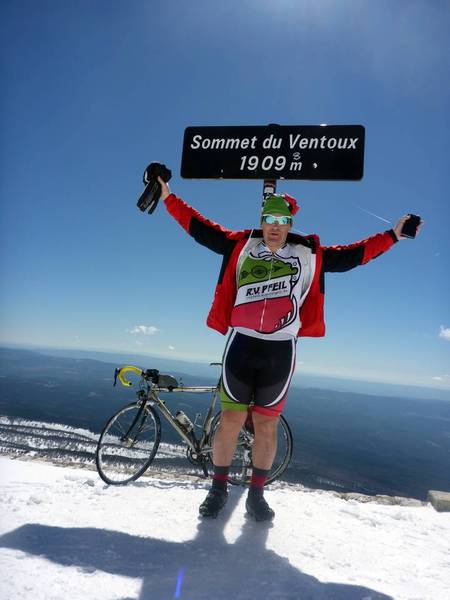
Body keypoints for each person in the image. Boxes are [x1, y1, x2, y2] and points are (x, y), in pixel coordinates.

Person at [157, 176, 420, 521]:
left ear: (290, 224)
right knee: (231, 420)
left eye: (282, 221)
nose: (275, 227)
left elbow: (354, 255)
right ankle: (218, 490)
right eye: (270, 219)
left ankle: (256, 496)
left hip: (280, 351)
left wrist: (393, 235)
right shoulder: (241, 244)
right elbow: (198, 227)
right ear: (262, 221)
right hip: (241, 344)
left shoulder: (308, 253)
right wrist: (167, 196)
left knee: (266, 425)